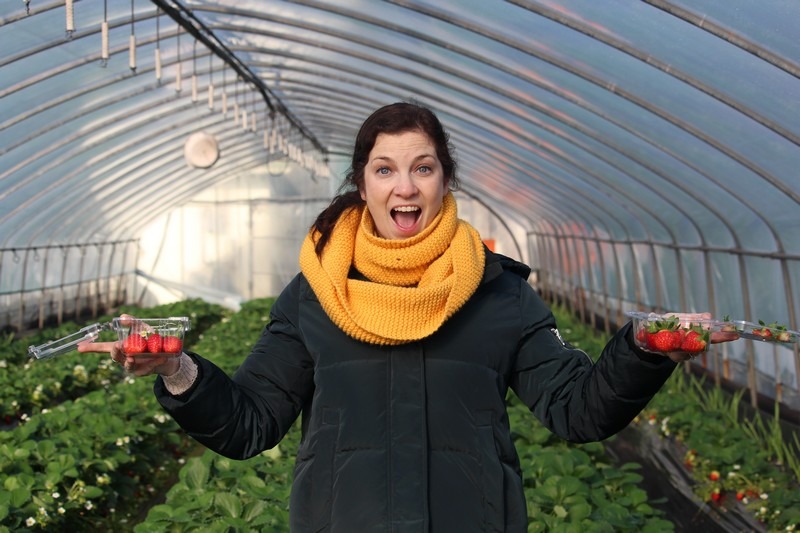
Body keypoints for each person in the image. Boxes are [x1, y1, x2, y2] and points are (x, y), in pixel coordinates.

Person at [81, 102, 736, 532]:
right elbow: (250, 422)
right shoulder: (315, 295)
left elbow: (577, 408)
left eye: (423, 168)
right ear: (362, 184)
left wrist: (645, 349)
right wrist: (177, 368)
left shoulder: (497, 292)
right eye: (385, 168)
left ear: (444, 180)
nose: (405, 185)